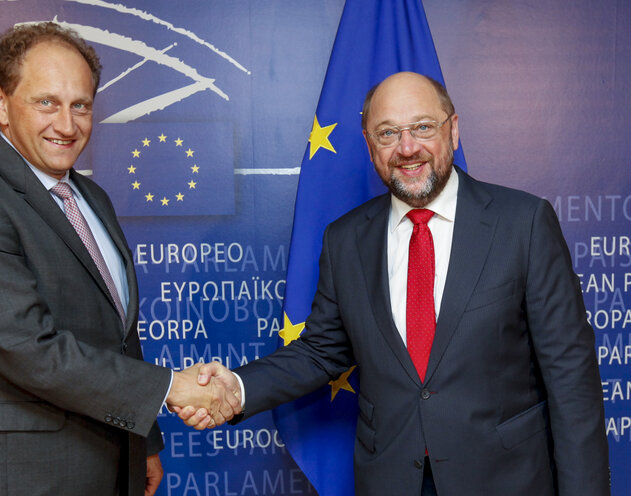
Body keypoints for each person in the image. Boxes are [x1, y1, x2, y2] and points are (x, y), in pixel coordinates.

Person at [178, 72, 610, 495]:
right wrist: (235, 388)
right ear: (370, 146)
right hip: (391, 477)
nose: (407, 148)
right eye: (387, 133)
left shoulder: (523, 223)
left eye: (423, 127)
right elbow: (321, 350)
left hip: (504, 477)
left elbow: (571, 379)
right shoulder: (345, 239)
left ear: (453, 130)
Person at [0, 22, 239, 496]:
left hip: (113, 462)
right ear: (0, 102)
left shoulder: (90, 197)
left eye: (81, 105)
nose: (67, 125)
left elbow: (118, 336)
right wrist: (170, 387)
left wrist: (143, 439)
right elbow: (27, 347)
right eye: (46, 101)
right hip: (21, 476)